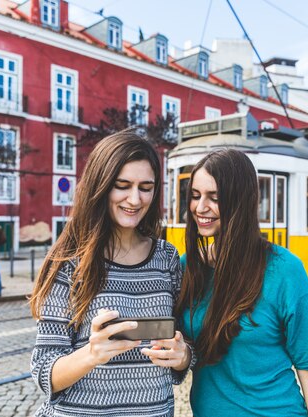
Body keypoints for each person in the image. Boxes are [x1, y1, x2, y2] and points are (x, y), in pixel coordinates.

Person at [29, 131, 195, 417]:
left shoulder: (166, 257)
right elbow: (45, 373)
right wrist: (91, 353)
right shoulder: (69, 262)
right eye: (122, 185)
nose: (135, 198)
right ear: (101, 185)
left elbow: (185, 342)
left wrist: (183, 357)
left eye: (146, 187)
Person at [176, 149, 308, 417]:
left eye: (214, 198)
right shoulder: (187, 267)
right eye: (195, 196)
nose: (200, 207)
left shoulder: (285, 270)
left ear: (241, 201)